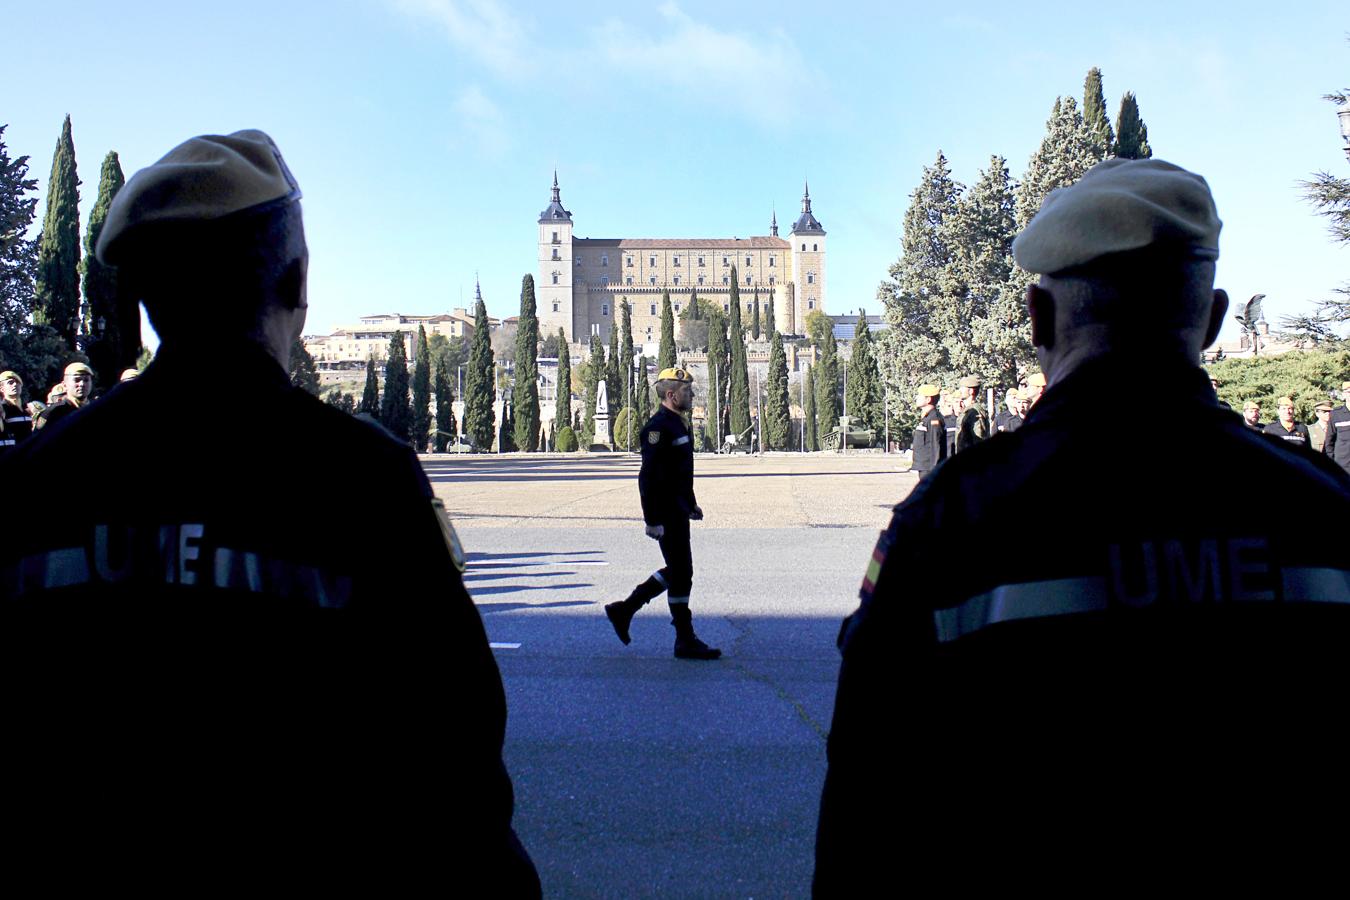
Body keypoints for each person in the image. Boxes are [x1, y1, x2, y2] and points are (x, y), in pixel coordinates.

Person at [0, 130, 539, 895]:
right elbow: (455, 769)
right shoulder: (361, 483)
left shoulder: (34, 483)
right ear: (295, 281)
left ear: (149, 298)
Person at [814, 158, 1350, 895]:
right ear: (1216, 318)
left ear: (1038, 317)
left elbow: (870, 815)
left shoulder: (955, 522)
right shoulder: (1323, 510)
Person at [605, 366, 720, 660]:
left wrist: (691, 503)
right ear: (671, 395)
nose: (691, 394)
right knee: (681, 571)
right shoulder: (658, 428)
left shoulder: (678, 424)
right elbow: (648, 477)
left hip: (678, 509)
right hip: (665, 512)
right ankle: (635, 613)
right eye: (686, 391)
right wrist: (651, 520)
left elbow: (682, 473)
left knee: (682, 572)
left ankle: (668, 630)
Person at [33, 362, 93, 430]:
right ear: (64, 385)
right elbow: (38, 435)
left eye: (86, 380)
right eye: (77, 380)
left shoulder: (95, 408)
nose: (82, 384)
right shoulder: (53, 411)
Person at [909, 384, 946, 478]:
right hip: (924, 466)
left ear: (928, 399)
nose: (916, 397)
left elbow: (936, 444)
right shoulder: (927, 418)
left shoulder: (934, 419)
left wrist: (935, 468)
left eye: (920, 395)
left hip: (930, 468)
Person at [0, 370, 36, 451]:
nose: (15, 384)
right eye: (10, 382)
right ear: (1, 388)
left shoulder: (26, 410)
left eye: (18, 382)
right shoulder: (3, 409)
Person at [954, 375, 989, 452]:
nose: (960, 390)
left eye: (962, 388)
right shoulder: (967, 410)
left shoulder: (975, 411)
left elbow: (979, 438)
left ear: (971, 391)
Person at [1325, 381, 1350, 475]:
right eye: (1348, 392)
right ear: (1344, 394)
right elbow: (1329, 442)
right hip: (1342, 467)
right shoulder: (1336, 414)